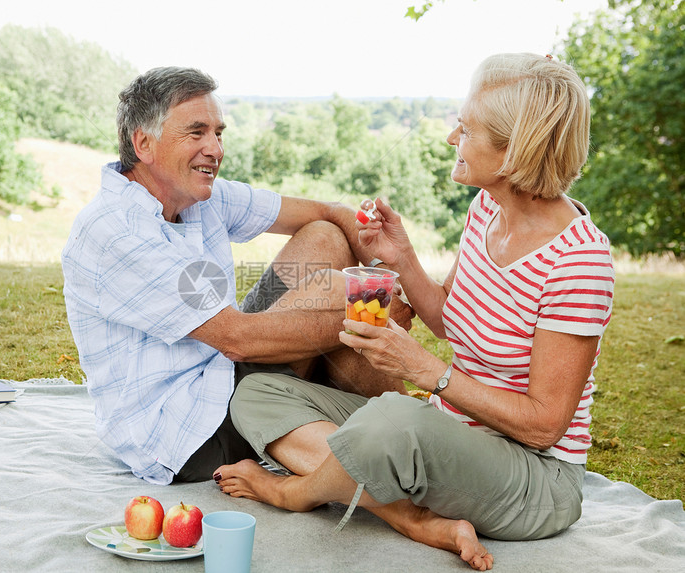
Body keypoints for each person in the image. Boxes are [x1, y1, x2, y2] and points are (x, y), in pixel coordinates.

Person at [214, 53, 615, 571]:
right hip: (446, 433)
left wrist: (428, 372)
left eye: (466, 129)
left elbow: (544, 426)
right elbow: (456, 321)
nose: (452, 138)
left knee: (395, 420)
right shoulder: (488, 211)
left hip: (536, 479)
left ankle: (294, 493)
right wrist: (401, 258)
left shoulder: (578, 260)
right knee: (259, 392)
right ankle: (411, 514)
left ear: (516, 150)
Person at [61, 66, 415, 485]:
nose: (214, 148)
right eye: (196, 133)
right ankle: (408, 436)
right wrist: (375, 306)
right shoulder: (115, 232)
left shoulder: (197, 196)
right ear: (144, 143)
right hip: (187, 432)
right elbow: (237, 339)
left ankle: (388, 419)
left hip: (223, 370)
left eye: (218, 133)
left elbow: (330, 212)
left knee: (324, 239)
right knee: (340, 293)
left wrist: (376, 273)